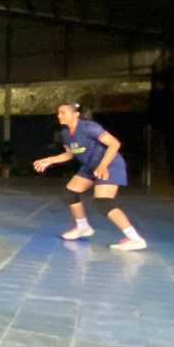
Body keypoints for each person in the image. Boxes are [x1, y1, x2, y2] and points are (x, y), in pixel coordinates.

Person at [33, 102, 146, 251]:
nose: (59, 115)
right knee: (69, 193)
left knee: (103, 202)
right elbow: (70, 154)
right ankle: (83, 227)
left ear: (76, 114)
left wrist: (102, 165)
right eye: (58, 113)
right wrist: (50, 160)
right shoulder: (66, 133)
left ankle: (135, 239)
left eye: (63, 112)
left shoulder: (89, 127)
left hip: (109, 164)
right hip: (90, 166)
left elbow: (114, 144)